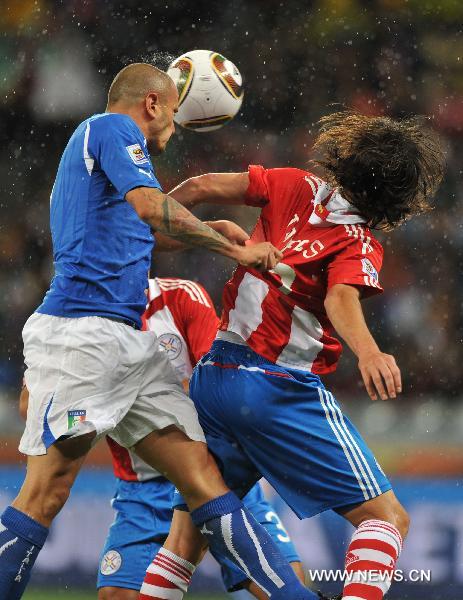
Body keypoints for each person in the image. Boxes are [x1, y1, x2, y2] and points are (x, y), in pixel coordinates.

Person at [0, 63, 314, 600]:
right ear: (151, 104)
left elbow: (143, 231)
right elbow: (151, 208)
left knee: (203, 479)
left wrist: (209, 229)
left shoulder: (107, 156)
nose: (174, 128)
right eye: (172, 114)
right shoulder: (111, 127)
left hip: (127, 345)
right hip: (81, 332)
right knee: (45, 494)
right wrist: (237, 250)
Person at [138, 112, 444, 600]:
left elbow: (197, 186)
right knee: (386, 519)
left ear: (346, 158)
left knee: (186, 539)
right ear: (396, 201)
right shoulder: (358, 240)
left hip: (213, 376)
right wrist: (370, 352)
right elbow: (339, 299)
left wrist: (144, 233)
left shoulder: (293, 183)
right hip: (275, 388)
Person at [96, 276, 303, 599]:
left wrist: (129, 396)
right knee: (116, 594)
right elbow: (32, 405)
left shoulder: (181, 296)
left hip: (213, 469)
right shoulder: (79, 319)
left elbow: (217, 380)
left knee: (286, 583)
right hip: (144, 489)